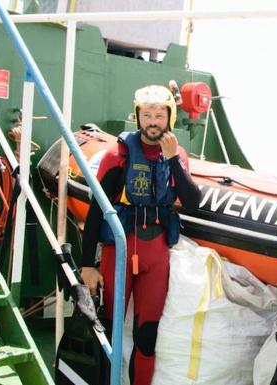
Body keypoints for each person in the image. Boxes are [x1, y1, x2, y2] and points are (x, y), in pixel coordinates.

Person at [80, 84, 201, 385]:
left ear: (169, 117)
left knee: (147, 336)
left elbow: (193, 201)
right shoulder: (116, 155)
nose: (153, 122)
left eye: (159, 115)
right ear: (137, 117)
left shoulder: (178, 156)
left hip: (157, 253)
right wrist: (87, 265)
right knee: (107, 329)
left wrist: (172, 159)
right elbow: (96, 212)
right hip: (118, 253)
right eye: (146, 115)